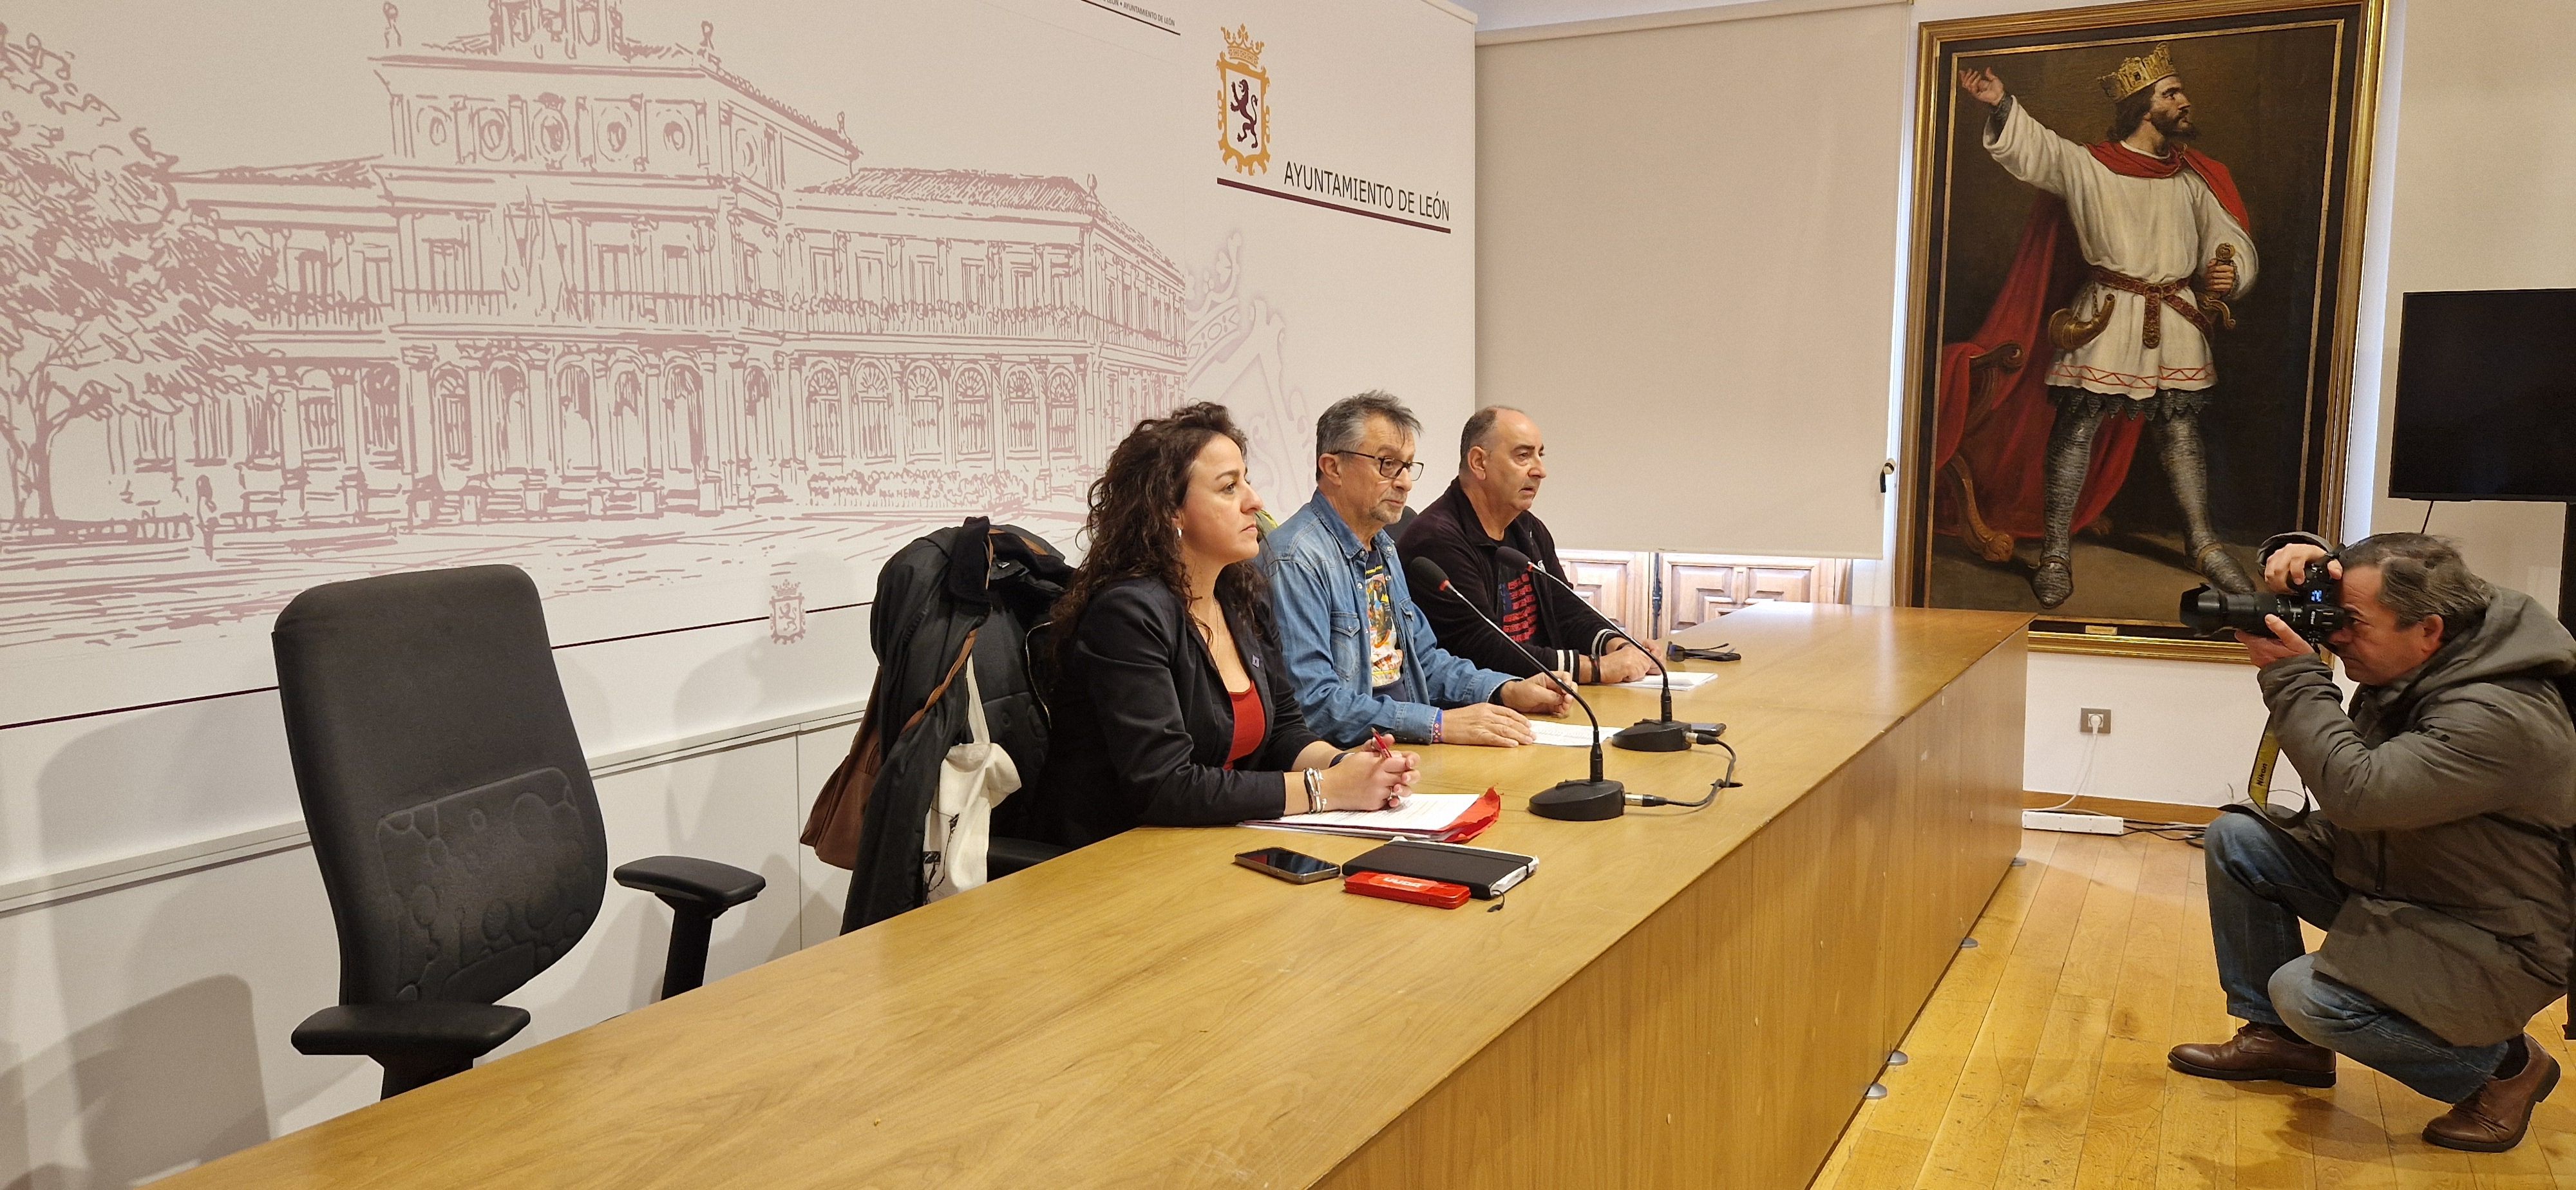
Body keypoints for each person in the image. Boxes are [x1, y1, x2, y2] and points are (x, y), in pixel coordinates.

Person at [2168, 531, 2576, 1153]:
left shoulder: (2499, 715)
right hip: (2407, 874)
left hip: (2497, 929)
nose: (2334, 635)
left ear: (2430, 630)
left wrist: (2293, 676)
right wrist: (2307, 553)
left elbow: (2360, 796)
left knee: (2310, 996)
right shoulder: (2446, 643)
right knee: (2240, 838)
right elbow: (2391, 574)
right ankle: (2281, 1044)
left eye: (2350, 622)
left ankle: (2507, 1069)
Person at [1001, 403, 1419, 851]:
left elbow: (1284, 733)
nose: (1254, 501)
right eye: (1228, 488)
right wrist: (1327, 789)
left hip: (1210, 841)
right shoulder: (1126, 614)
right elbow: (1165, 785)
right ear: (1171, 512)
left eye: (1247, 480)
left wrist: (1352, 766)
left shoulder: (1241, 595)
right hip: (1114, 856)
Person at [1951, 44, 2259, 608]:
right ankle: (2055, 553)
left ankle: (2204, 543)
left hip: (2176, 318)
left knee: (2180, 432)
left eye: (2179, 91)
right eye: (2171, 94)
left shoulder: (2194, 176)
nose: (2183, 101)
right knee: (2077, 430)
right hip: (2107, 317)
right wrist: (2001, 105)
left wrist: (2226, 270)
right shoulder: (2089, 164)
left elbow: (2228, 237)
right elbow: (2036, 150)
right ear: (2144, 107)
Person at [1260, 392, 1571, 747]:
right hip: (1354, 762)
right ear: (1333, 468)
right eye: (1387, 464)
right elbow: (1314, 704)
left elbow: (1424, 661)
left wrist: (1506, 690)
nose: (1405, 482)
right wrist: (1438, 724)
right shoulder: (1296, 560)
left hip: (1408, 747)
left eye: (1407, 466)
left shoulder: (1383, 549)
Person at [1397, 406, 1658, 685]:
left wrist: (1620, 646)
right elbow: (1483, 648)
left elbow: (1567, 612)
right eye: (1523, 456)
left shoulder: (1528, 528)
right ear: (1479, 463)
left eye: (1539, 455)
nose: (1540, 471)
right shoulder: (1437, 539)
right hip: (1485, 705)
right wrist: (1597, 669)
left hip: (1547, 695)